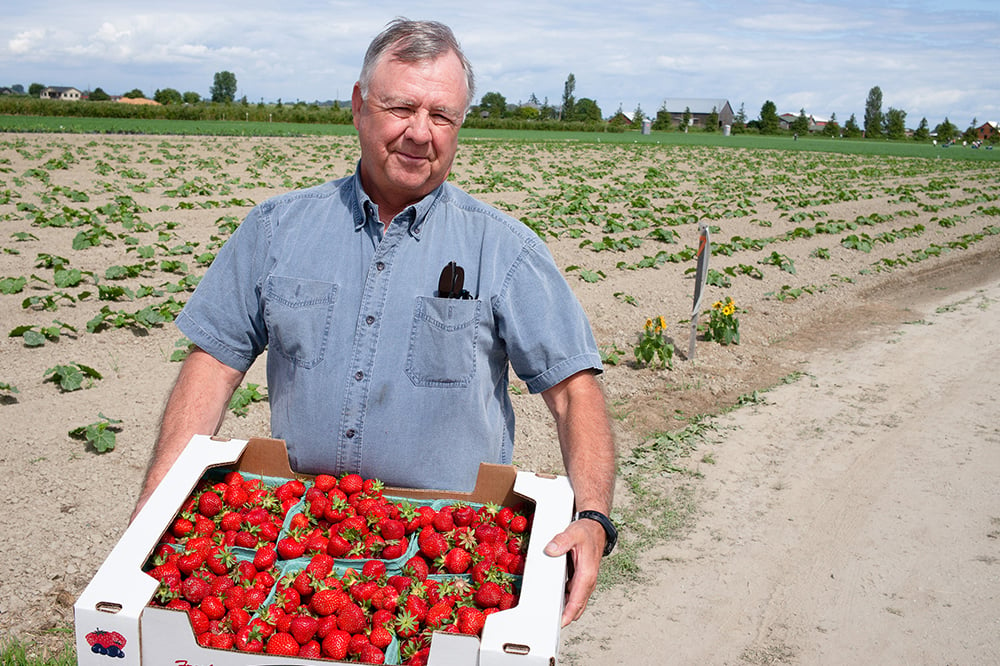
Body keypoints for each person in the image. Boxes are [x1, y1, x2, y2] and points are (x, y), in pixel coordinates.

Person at [134, 18, 615, 626]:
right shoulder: (277, 230)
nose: (420, 133)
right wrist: (156, 511)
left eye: (442, 115)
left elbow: (575, 390)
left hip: (454, 557)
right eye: (400, 107)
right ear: (359, 107)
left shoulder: (504, 249)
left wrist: (593, 516)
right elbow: (213, 364)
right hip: (299, 545)